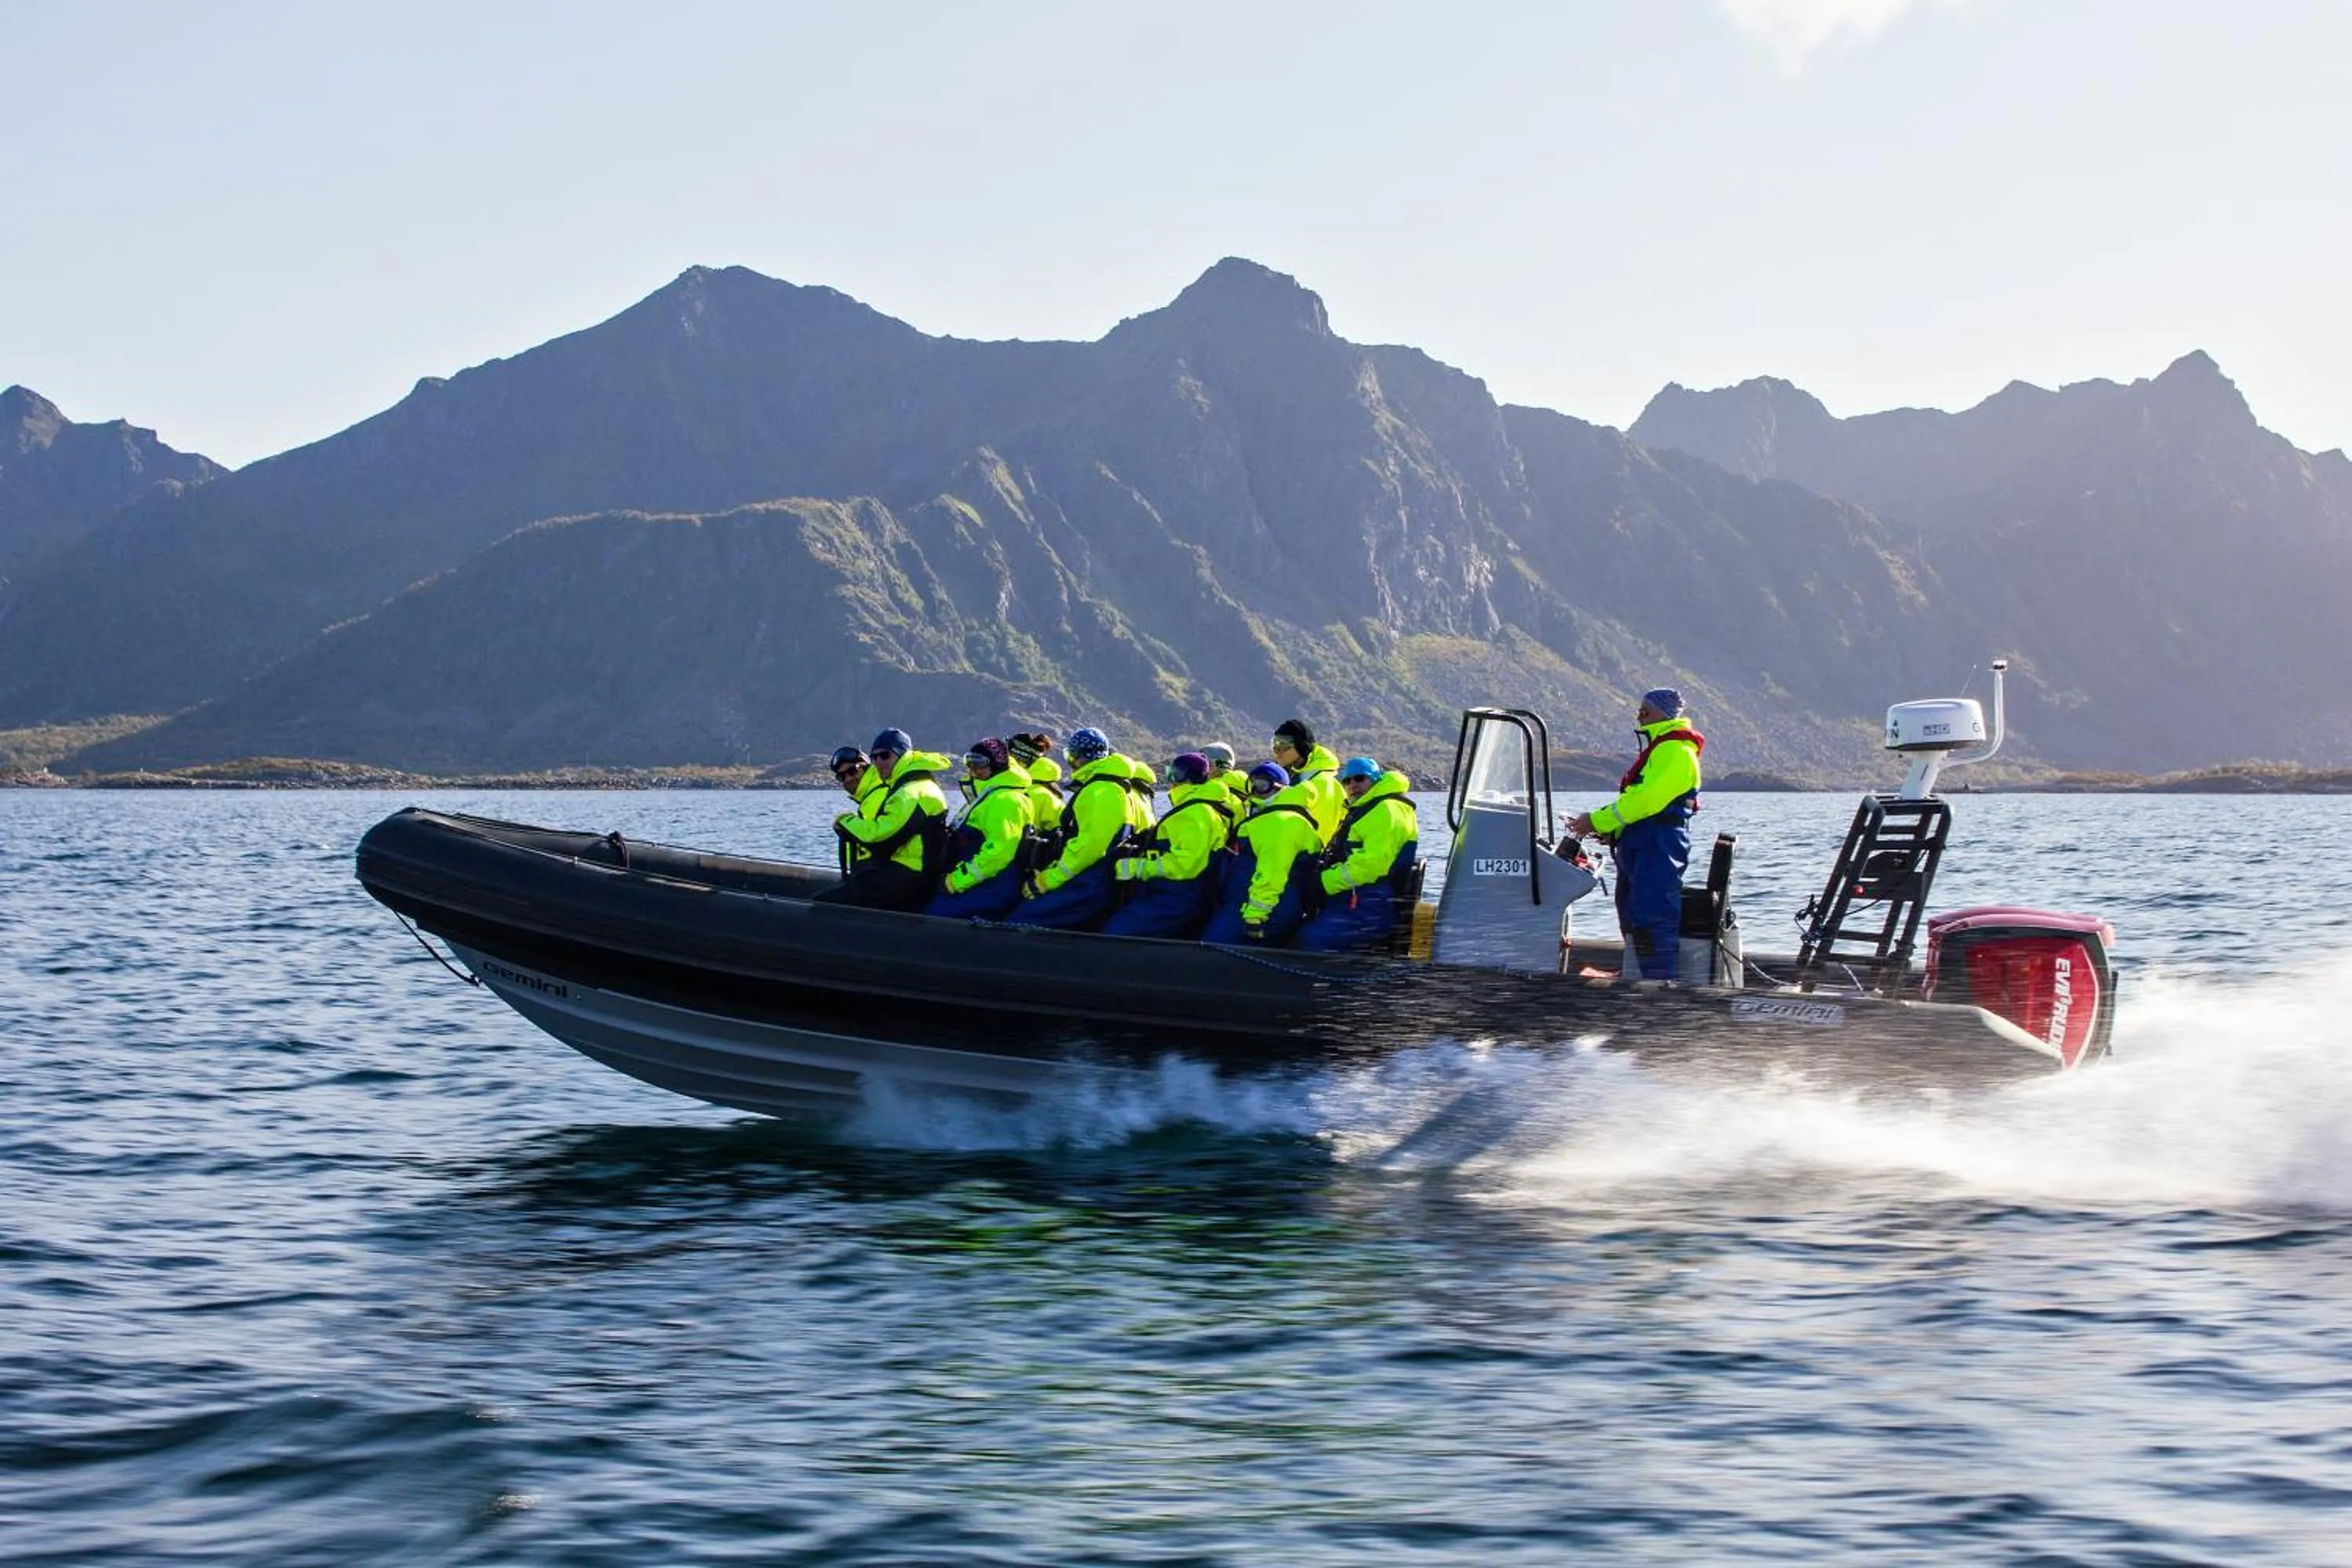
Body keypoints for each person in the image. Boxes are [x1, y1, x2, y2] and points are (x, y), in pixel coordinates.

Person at [1566, 688, 1705, 981]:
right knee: (1631, 911)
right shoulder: (1661, 749)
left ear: (1663, 714)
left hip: (1659, 845)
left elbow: (1646, 802)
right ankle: (1636, 972)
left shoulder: (1676, 752)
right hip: (1642, 843)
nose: (1639, 717)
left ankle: (1658, 984)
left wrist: (1596, 821)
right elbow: (1639, 804)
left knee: (1652, 916)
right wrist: (1614, 831)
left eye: (1645, 711)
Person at [1007, 727, 1137, 930]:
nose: (1071, 762)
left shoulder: (1101, 791)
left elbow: (1089, 848)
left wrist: (1047, 881)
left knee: (1021, 920)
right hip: (1091, 876)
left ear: (1082, 757)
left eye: (1071, 756)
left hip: (1090, 881)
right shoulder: (1105, 787)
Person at [1293, 757, 1420, 953]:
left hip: (1370, 905)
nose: (1353, 785)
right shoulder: (1368, 809)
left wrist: (1322, 883)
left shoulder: (1387, 810)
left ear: (1376, 780)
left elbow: (1371, 866)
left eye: (1360, 778)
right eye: (1347, 781)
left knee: (1307, 942)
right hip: (1354, 899)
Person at [1102, 753, 1237, 938]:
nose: (1171, 779)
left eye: (1176, 774)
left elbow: (1185, 865)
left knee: (1117, 931)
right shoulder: (1198, 807)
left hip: (1178, 896)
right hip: (1176, 893)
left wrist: (1136, 867)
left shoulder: (1194, 813)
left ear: (1189, 777)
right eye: (1170, 773)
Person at [816, 728, 952, 910]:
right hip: (905, 873)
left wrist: (846, 822)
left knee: (820, 906)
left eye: (885, 755)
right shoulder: (906, 786)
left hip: (910, 877)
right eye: (875, 757)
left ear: (902, 755)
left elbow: (881, 839)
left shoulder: (911, 792)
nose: (879, 762)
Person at [1200, 762, 1325, 946]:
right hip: (1249, 902)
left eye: (1263, 784)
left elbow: (1273, 871)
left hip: (1261, 908)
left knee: (1213, 948)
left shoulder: (1281, 822)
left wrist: (1256, 915)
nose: (1257, 791)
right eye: (1253, 784)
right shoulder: (1274, 818)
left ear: (1280, 787)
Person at [924, 738, 1034, 919]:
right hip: (982, 880)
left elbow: (999, 852)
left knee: (936, 914)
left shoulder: (1005, 800)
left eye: (979, 764)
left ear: (996, 765)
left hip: (994, 885)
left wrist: (955, 882)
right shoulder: (988, 796)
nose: (973, 770)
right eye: (970, 763)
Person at [1270, 718, 1344, 842]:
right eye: (1274, 745)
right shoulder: (1299, 775)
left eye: (1283, 746)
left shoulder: (1321, 781)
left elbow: (1322, 830)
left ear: (1301, 747)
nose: (1277, 752)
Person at [827, 745, 882, 873]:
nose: (848, 779)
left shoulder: (878, 796)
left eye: (852, 771)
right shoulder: (869, 799)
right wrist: (847, 833)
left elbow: (877, 840)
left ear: (866, 768)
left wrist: (848, 823)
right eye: (841, 777)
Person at [1199, 742, 1248, 813]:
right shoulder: (1247, 784)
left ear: (1221, 765)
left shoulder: (1214, 789)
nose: (1203, 769)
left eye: (1208, 764)